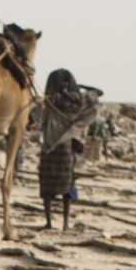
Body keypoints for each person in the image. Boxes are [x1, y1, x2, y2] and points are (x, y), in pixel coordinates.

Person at [37, 68, 100, 232]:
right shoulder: (75, 100)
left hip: (52, 148)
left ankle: (52, 222)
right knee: (63, 189)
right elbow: (95, 95)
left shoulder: (55, 100)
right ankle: (62, 223)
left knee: (51, 189)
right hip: (63, 149)